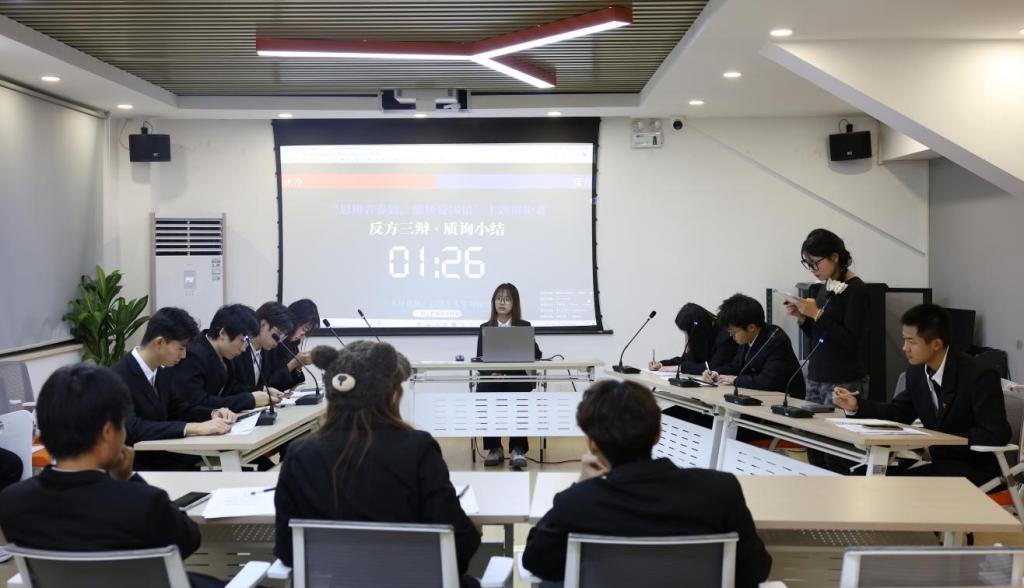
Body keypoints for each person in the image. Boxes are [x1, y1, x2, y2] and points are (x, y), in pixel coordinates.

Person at [522, 379, 772, 587]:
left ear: (592, 443)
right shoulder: (721, 490)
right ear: (658, 434)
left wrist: (580, 485)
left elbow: (536, 563)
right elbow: (756, 570)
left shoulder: (578, 501)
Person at [274, 341, 481, 587]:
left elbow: (287, 551)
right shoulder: (417, 449)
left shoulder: (300, 455)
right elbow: (460, 543)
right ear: (392, 395)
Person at [0, 363, 221, 588]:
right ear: (107, 432)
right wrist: (129, 480)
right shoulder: (144, 502)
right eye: (122, 426)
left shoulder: (12, 502)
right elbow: (189, 540)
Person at [833, 304, 1010, 486]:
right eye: (904, 340)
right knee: (858, 473)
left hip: (973, 466)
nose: (905, 348)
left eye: (911, 341)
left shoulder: (979, 375)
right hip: (934, 460)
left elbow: (994, 434)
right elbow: (898, 412)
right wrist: (856, 405)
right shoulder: (916, 372)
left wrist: (933, 448)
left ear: (936, 344)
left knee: (894, 485)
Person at [111, 307, 236, 470]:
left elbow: (179, 409)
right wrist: (193, 428)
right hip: (137, 466)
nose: (183, 356)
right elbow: (132, 428)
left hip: (168, 457)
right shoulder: (116, 377)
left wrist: (212, 413)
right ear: (159, 342)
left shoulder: (162, 372)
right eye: (181, 348)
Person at [783, 228, 869, 406]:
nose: (812, 269)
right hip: (816, 376)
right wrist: (802, 317)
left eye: (815, 263)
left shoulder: (856, 289)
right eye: (808, 264)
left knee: (834, 425)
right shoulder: (826, 285)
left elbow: (851, 340)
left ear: (834, 257)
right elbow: (820, 337)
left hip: (843, 380)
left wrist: (816, 314)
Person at [475, 283, 542, 469]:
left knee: (518, 389)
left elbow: (537, 354)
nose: (502, 303)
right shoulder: (485, 327)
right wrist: (492, 373)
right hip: (492, 378)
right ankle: (494, 447)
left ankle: (517, 448)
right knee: (485, 389)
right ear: (493, 302)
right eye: (498, 298)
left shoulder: (523, 326)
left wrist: (525, 338)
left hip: (516, 378)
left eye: (506, 299)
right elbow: (480, 358)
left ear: (515, 303)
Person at [167, 304, 275, 414]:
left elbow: (231, 390)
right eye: (242, 341)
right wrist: (249, 400)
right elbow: (198, 402)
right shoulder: (193, 355)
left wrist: (262, 391)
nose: (244, 349)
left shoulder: (225, 354)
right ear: (223, 333)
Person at [703, 293, 804, 397]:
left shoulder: (775, 339)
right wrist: (716, 373)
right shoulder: (747, 337)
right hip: (758, 395)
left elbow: (768, 381)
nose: (731, 335)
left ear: (751, 327)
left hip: (786, 399)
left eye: (733, 332)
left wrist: (736, 380)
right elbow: (736, 366)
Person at [224, 301, 293, 400]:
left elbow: (269, 383)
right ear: (262, 324)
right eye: (278, 334)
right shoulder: (236, 348)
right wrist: (262, 391)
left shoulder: (268, 351)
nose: (278, 341)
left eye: (283, 337)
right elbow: (231, 389)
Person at [648, 303, 737, 376]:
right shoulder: (705, 333)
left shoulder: (725, 336)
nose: (687, 336)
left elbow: (713, 367)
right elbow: (689, 359)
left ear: (697, 329)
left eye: (687, 331)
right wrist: (661, 364)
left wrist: (680, 368)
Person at [264, 299, 319, 392]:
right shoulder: (272, 342)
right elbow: (269, 384)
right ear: (295, 321)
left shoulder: (292, 344)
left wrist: (299, 366)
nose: (303, 335)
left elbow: (297, 383)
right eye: (304, 329)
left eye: (307, 332)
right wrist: (294, 363)